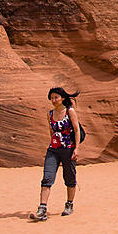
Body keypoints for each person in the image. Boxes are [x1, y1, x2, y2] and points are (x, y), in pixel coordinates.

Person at [30, 87, 82, 221]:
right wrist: (52, 144)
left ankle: (69, 204)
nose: (53, 100)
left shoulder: (70, 112)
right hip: (53, 150)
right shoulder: (50, 114)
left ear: (62, 98)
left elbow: (76, 130)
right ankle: (42, 209)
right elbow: (51, 132)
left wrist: (76, 148)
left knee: (69, 177)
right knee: (47, 177)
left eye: (56, 97)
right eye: (51, 98)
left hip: (68, 149)